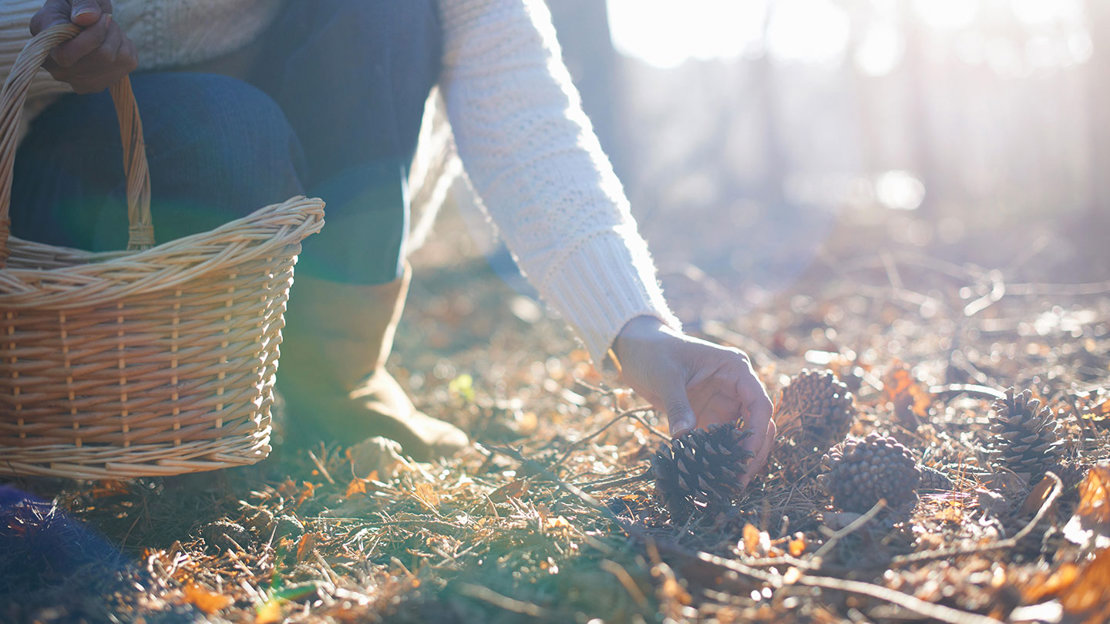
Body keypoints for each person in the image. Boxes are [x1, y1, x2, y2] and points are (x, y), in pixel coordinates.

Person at [3, 0, 776, 483]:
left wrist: (634, 327)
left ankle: (331, 377)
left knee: (389, 12)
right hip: (67, 157)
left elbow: (514, 78)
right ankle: (169, 400)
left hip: (271, 151)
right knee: (230, 131)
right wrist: (45, 26)